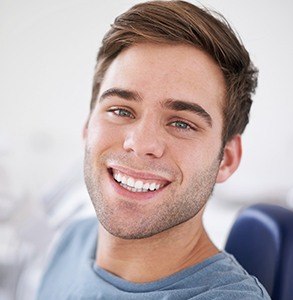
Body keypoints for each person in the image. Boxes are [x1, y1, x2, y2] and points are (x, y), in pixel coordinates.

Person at [37, 1, 271, 299]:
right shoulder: (75, 238)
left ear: (227, 158)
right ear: (87, 125)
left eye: (182, 124)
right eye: (121, 111)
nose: (141, 143)